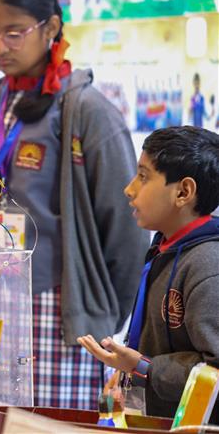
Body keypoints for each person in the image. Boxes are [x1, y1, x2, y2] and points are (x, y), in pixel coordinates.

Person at [0, 0, 149, 409]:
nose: (0, 47)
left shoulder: (86, 110)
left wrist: (103, 317)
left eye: (14, 33)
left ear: (52, 28)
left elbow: (128, 224)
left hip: (57, 311)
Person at [78, 126, 219, 424]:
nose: (129, 189)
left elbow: (216, 372)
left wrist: (143, 368)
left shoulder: (207, 266)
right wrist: (126, 373)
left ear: (183, 192)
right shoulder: (165, 247)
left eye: (143, 176)